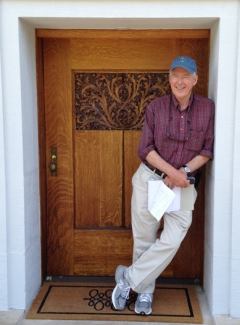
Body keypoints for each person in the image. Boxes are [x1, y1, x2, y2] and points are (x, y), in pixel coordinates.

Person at [111, 56, 215, 315]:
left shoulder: (208, 108)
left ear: (195, 80)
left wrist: (184, 172)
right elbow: (145, 149)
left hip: (183, 183)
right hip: (151, 178)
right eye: (175, 76)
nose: (179, 81)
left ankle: (129, 279)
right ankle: (145, 292)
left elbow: (207, 150)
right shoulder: (156, 107)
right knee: (144, 238)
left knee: (172, 237)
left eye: (185, 76)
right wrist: (171, 173)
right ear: (169, 79)